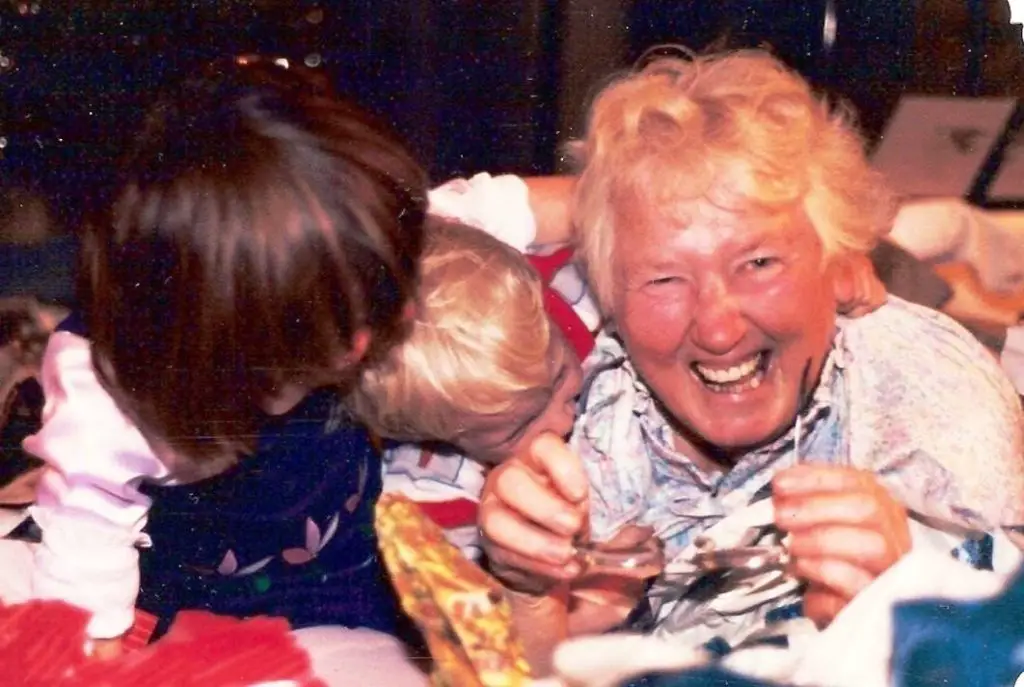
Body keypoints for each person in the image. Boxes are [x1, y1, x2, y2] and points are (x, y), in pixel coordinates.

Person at [477, 49, 1024, 673]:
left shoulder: (933, 400)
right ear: (612, 306)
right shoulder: (591, 436)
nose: (716, 328)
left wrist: (910, 603)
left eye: (759, 264)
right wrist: (529, 594)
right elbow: (536, 671)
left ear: (840, 266)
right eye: (663, 279)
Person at [13, 58, 428, 667]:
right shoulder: (111, 402)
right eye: (340, 327)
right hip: (183, 612)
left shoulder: (352, 247)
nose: (406, 313)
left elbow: (510, 207)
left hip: (345, 598)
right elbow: (84, 608)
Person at [354, 217, 585, 560]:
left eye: (561, 375)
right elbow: (454, 588)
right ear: (439, 438)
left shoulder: (572, 293)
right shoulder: (428, 484)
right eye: (520, 428)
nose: (563, 421)